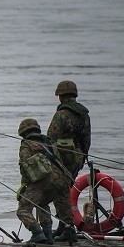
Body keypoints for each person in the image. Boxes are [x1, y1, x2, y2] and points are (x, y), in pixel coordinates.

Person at [15, 118, 74, 244]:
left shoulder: (26, 144)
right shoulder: (49, 142)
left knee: (23, 209)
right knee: (42, 203)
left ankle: (37, 233)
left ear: (23, 132)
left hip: (42, 180)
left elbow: (25, 167)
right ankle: (48, 236)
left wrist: (24, 186)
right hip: (59, 181)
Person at [46, 80, 90, 238]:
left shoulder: (61, 115)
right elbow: (87, 140)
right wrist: (82, 157)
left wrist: (55, 160)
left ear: (61, 96)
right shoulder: (84, 114)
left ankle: (67, 227)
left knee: (60, 193)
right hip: (77, 157)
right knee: (66, 190)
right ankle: (63, 226)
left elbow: (50, 139)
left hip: (62, 159)